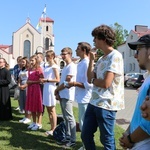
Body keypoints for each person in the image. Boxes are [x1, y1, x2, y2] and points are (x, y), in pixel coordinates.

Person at [81, 24, 125, 150]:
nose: (93, 41)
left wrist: (94, 80)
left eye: (95, 38)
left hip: (106, 104)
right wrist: (91, 61)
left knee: (106, 139)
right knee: (85, 135)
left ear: (103, 39)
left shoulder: (115, 55)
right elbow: (89, 79)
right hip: (94, 102)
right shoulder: (101, 58)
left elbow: (106, 83)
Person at [119, 34, 150, 150]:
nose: (135, 55)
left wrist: (130, 139)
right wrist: (127, 132)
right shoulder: (147, 78)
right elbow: (138, 113)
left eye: (138, 50)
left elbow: (148, 124)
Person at [67, 42, 93, 150]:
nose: (76, 50)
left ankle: (86, 146)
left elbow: (89, 84)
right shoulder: (81, 62)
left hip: (85, 98)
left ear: (83, 50)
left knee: (84, 124)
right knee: (82, 123)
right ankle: (84, 144)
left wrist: (74, 84)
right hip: (80, 97)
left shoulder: (87, 63)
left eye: (78, 49)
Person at [55, 47, 77, 147]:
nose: (62, 56)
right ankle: (67, 137)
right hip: (62, 94)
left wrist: (57, 89)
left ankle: (72, 139)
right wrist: (58, 92)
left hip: (68, 94)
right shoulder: (65, 66)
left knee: (69, 117)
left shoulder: (72, 66)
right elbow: (62, 81)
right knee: (65, 117)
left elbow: (67, 82)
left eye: (64, 54)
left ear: (70, 54)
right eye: (62, 54)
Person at [40, 50, 60, 136]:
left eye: (48, 56)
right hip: (46, 87)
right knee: (48, 109)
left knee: (52, 109)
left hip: (51, 87)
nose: (46, 57)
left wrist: (47, 80)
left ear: (52, 56)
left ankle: (54, 128)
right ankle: (52, 128)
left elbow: (57, 79)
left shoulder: (55, 66)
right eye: (46, 56)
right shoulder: (47, 66)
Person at [25, 55, 44, 131]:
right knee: (32, 105)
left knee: (37, 106)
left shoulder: (39, 69)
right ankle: (34, 122)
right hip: (30, 89)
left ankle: (39, 123)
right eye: (30, 60)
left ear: (36, 61)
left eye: (32, 60)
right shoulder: (29, 69)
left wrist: (32, 82)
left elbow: (42, 79)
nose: (31, 62)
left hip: (36, 88)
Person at [18, 57, 31, 124]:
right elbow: (19, 78)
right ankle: (25, 116)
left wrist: (25, 85)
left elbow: (30, 79)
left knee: (27, 101)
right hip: (21, 86)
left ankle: (28, 117)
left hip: (27, 86)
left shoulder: (28, 70)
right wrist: (19, 84)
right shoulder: (21, 70)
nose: (22, 63)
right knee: (22, 101)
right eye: (21, 62)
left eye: (23, 62)